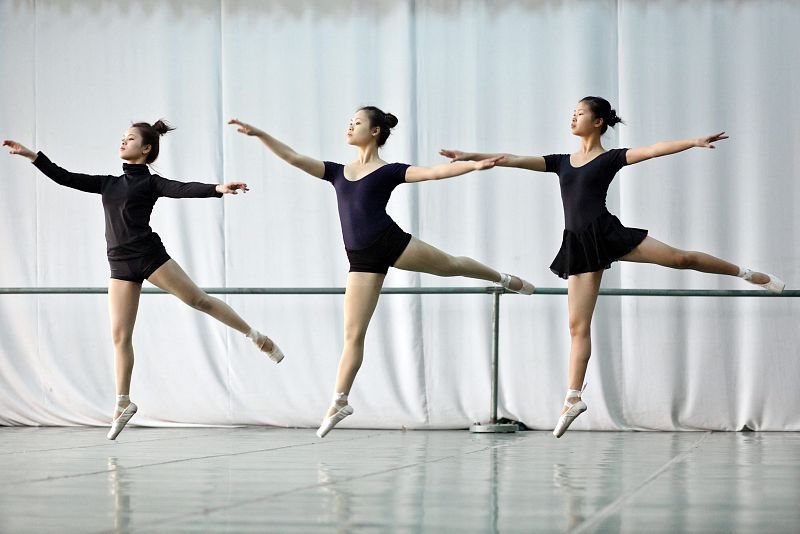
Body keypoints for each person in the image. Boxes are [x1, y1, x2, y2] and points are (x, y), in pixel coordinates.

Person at [440, 96, 785, 438]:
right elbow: (511, 159)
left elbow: (653, 149)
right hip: (580, 243)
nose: (572, 118)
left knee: (682, 259)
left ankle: (750, 275)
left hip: (607, 232)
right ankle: (573, 398)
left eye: (579, 114)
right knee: (577, 326)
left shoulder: (610, 159)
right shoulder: (561, 162)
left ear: (598, 122)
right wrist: (471, 156)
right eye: (571, 114)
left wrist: (692, 142)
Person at [230, 106, 534, 437]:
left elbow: (433, 173)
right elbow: (292, 157)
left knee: (452, 266)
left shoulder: (389, 171)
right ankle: (339, 400)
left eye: (357, 122)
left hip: (389, 242)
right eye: (349, 122)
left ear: (375, 131)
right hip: (361, 259)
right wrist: (260, 134)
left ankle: (503, 279)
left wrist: (473, 165)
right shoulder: (336, 171)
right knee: (353, 333)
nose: (350, 126)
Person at [4, 120, 284, 440]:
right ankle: (123, 403)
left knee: (198, 300)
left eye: (131, 138)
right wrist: (32, 156)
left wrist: (217, 189)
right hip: (120, 265)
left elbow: (182, 188)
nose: (123, 142)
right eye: (122, 137)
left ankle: (255, 336)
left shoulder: (151, 184)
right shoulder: (108, 183)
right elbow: (65, 177)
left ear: (146, 148)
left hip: (150, 257)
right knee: (120, 337)